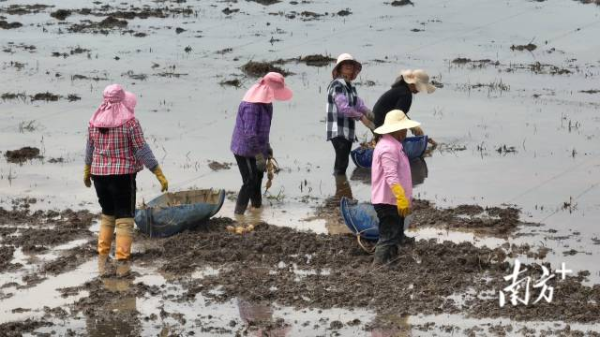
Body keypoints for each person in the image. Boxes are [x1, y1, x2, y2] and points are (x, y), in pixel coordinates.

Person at [84, 84, 168, 261]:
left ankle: (103, 252)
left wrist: (87, 169)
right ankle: (122, 257)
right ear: (122, 101)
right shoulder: (130, 123)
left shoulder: (93, 122)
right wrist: (157, 171)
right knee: (124, 216)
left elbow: (89, 147)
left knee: (107, 213)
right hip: (122, 176)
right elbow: (141, 149)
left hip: (98, 175)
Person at [231, 72, 293, 215]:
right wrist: (259, 156)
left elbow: (263, 130)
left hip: (258, 147)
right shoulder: (251, 106)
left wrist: (267, 147)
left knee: (258, 178)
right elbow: (250, 133)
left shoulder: (267, 105)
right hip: (244, 149)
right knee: (249, 180)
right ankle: (238, 214)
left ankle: (256, 208)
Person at [371, 109, 420, 266]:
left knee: (396, 233)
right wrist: (400, 197)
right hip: (388, 201)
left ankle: (390, 261)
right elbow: (391, 176)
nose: (406, 131)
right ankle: (378, 266)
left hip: (394, 201)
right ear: (397, 130)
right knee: (388, 235)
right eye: (404, 128)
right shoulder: (388, 148)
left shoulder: (394, 145)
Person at [326, 53, 375, 177]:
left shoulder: (350, 87)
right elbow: (343, 107)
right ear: (340, 68)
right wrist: (361, 118)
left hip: (347, 130)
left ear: (354, 69)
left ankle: (339, 186)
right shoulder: (337, 85)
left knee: (343, 159)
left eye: (350, 64)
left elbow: (358, 104)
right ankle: (339, 185)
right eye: (345, 64)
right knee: (342, 159)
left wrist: (368, 113)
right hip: (337, 129)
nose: (348, 66)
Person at [372, 69, 436, 144]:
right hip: (382, 122)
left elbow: (399, 113)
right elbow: (398, 115)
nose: (419, 91)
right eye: (419, 87)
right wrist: (414, 128)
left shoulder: (400, 89)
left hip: (376, 120)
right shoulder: (406, 95)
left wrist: (411, 125)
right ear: (412, 83)